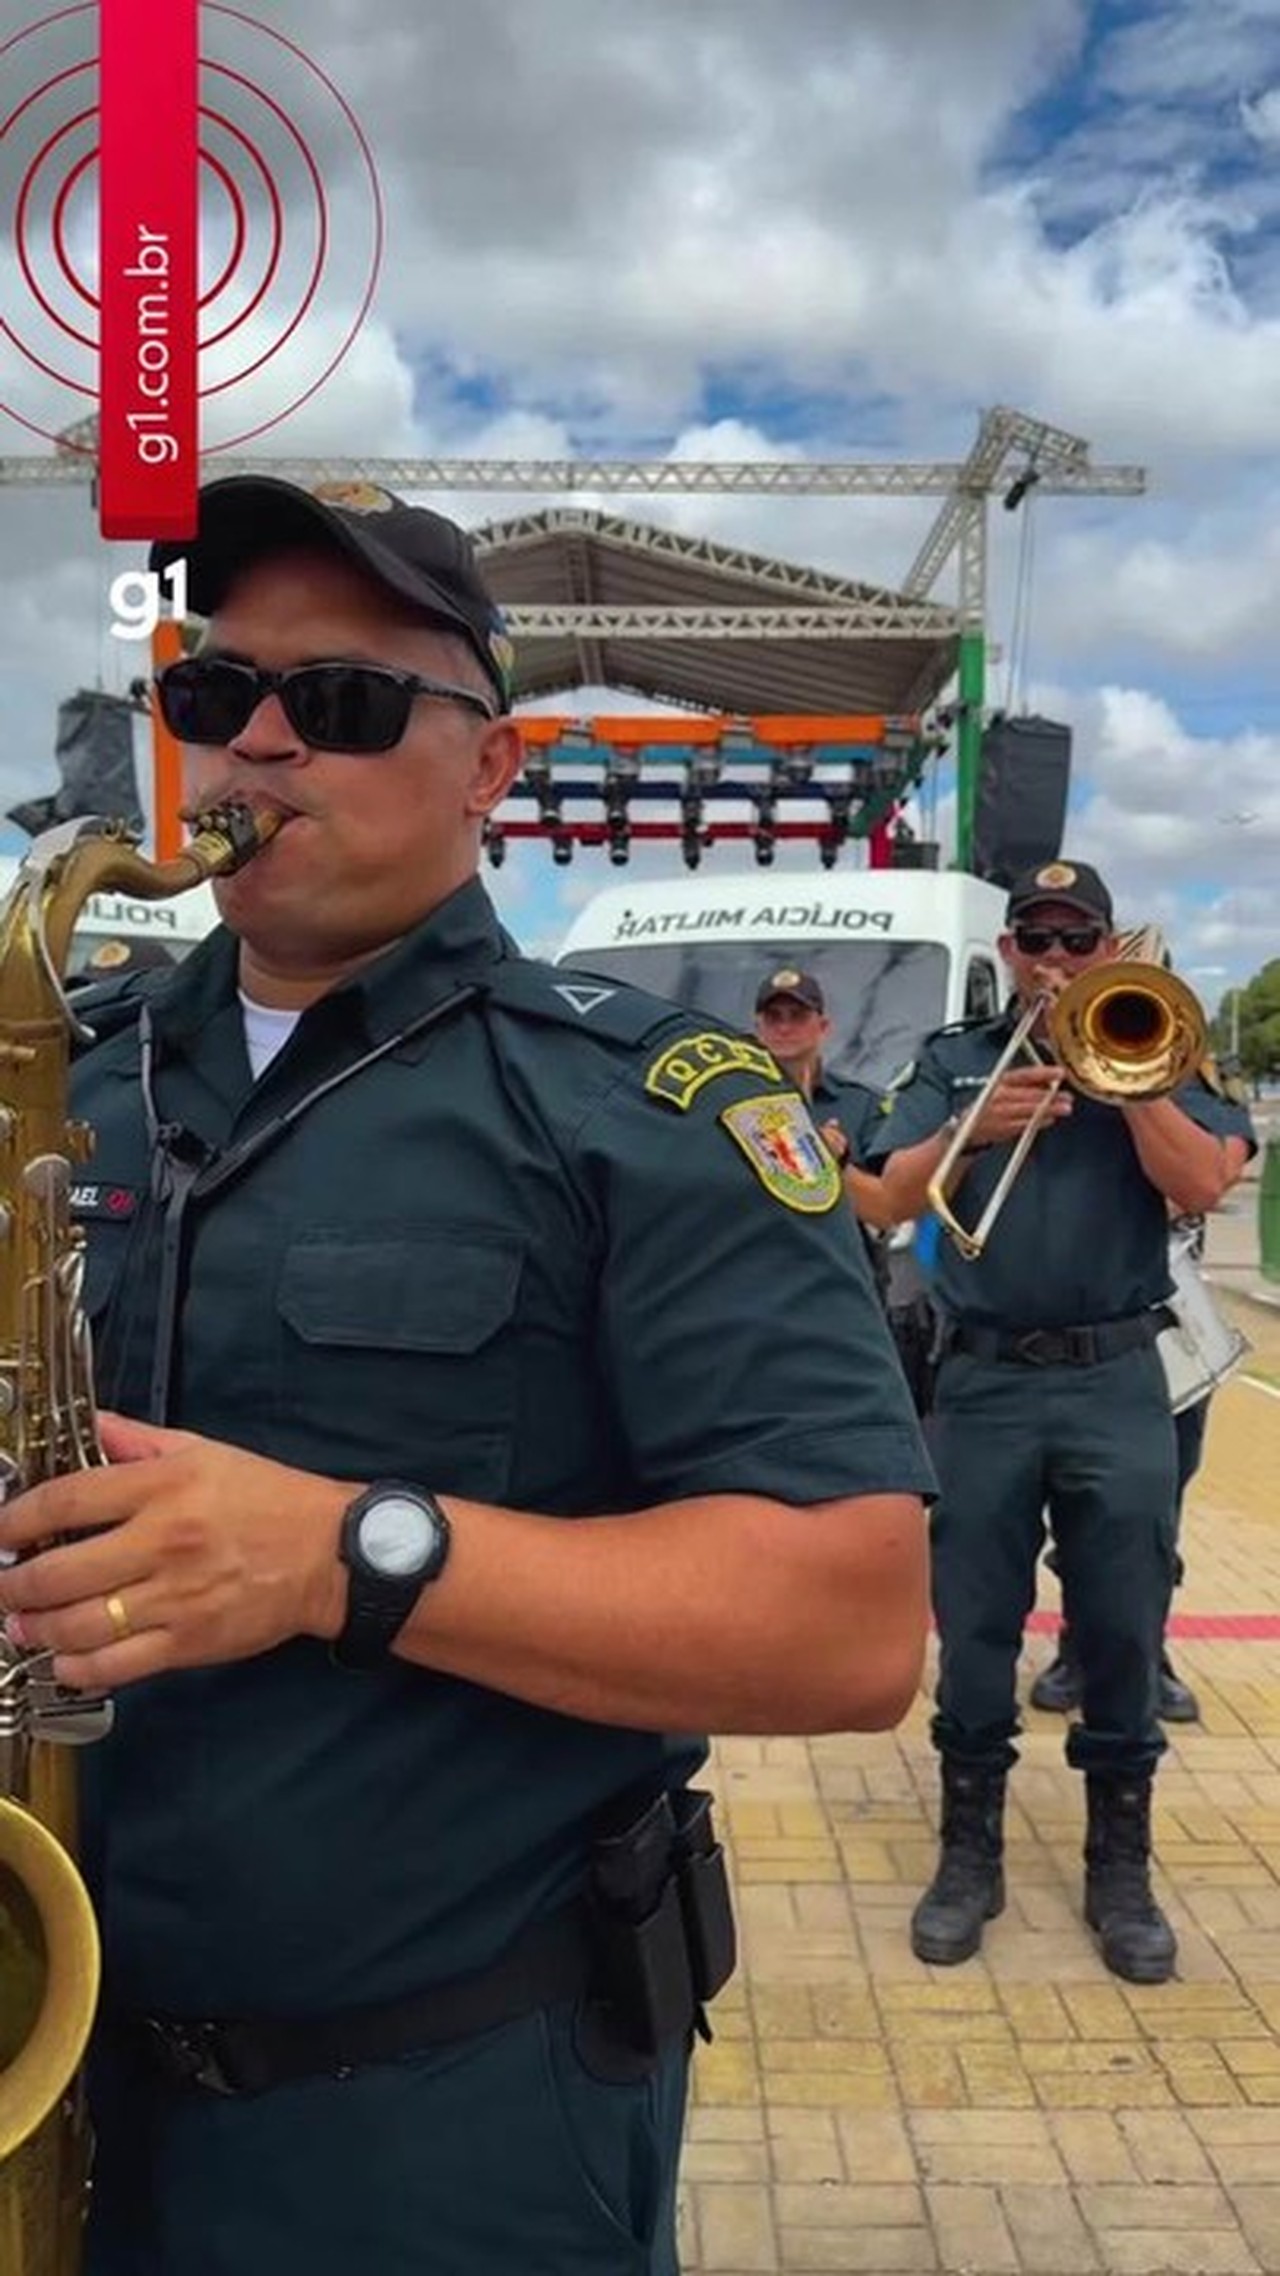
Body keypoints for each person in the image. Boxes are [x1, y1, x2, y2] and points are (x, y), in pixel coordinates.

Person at [0, 474, 933, 2276]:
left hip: (446, 2130)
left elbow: (849, 1625)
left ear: (492, 767)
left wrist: (335, 1554)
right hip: (73, 2062)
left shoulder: (654, 1117)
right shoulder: (73, 1071)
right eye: (212, 696)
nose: (258, 745)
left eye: (338, 704)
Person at [868, 858, 1253, 1985]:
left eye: (1073, 940)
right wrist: (972, 1130)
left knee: (1124, 1620)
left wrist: (1126, 1085)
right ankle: (966, 1851)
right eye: (1032, 940)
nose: (1051, 961)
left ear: (1105, 949)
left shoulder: (1165, 1049)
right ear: (1005, 953)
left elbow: (1201, 1187)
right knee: (975, 1621)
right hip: (984, 1381)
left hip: (1113, 1377)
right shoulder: (953, 1062)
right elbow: (888, 1195)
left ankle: (1116, 1865)